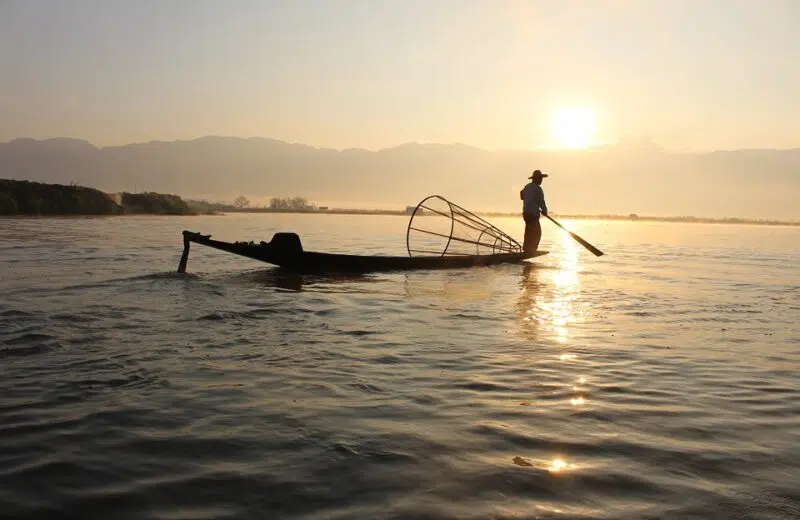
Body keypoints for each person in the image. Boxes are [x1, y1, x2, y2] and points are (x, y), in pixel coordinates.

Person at [520, 169, 548, 257]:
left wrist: (528, 199)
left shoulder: (527, 186)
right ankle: (531, 251)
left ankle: (526, 249)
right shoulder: (538, 189)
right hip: (532, 214)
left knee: (529, 232)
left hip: (526, 213)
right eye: (540, 178)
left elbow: (521, 195)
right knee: (537, 233)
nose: (541, 180)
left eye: (541, 178)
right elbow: (541, 201)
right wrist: (544, 210)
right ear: (535, 179)